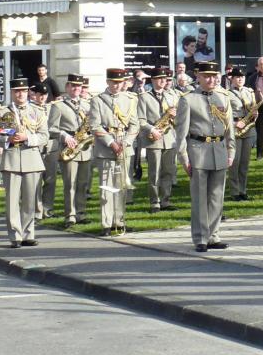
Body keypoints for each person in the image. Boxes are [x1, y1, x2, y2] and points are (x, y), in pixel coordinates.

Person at [175, 61, 236, 251]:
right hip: (198, 150)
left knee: (217, 196)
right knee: (200, 198)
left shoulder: (223, 97)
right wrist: (184, 157)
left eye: (214, 76)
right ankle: (201, 238)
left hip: (219, 149)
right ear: (198, 77)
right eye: (207, 76)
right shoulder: (188, 99)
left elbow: (229, 128)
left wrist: (231, 150)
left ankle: (213, 235)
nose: (211, 79)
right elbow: (181, 133)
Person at [0, 78, 50, 247]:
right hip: (11, 160)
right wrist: (7, 139)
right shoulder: (2, 112)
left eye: (23, 91)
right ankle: (15, 236)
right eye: (16, 91)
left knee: (30, 200)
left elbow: (45, 136)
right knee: (12, 201)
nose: (20, 94)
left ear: (28, 91)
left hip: (32, 159)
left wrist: (27, 137)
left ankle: (28, 234)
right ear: (12, 93)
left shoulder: (37, 111)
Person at [89, 68, 140, 236]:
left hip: (124, 146)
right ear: (108, 82)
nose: (117, 85)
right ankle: (106, 223)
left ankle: (119, 221)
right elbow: (95, 125)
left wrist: (126, 142)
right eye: (114, 82)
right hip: (106, 147)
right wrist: (111, 143)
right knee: (107, 187)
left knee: (122, 187)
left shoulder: (130, 99)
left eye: (120, 82)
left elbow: (135, 124)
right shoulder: (98, 100)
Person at [49, 75, 93, 226]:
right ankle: (70, 215)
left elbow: (94, 125)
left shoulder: (87, 106)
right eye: (73, 86)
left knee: (83, 183)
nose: (76, 89)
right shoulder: (58, 106)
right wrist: (64, 135)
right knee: (70, 184)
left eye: (79, 86)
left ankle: (81, 213)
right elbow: (51, 128)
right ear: (67, 87)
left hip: (84, 149)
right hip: (69, 148)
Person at [139, 67, 181, 212]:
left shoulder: (172, 96)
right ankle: (154, 202)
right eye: (159, 78)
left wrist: (175, 116)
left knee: (168, 171)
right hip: (153, 138)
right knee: (154, 172)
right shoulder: (144, 97)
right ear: (153, 80)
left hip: (169, 138)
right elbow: (141, 120)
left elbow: (179, 119)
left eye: (165, 79)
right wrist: (152, 129)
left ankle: (165, 200)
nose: (163, 81)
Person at [26, 83, 59, 220]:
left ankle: (47, 209)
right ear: (35, 95)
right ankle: (37, 210)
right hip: (36, 146)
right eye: (40, 95)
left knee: (50, 179)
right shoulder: (30, 108)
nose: (42, 97)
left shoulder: (53, 108)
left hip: (51, 146)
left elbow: (54, 127)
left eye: (45, 95)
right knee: (36, 180)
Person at [226, 68, 255, 201]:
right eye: (237, 77)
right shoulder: (227, 94)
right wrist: (234, 124)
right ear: (232, 79)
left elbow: (253, 108)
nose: (240, 79)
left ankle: (243, 190)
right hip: (235, 129)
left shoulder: (249, 92)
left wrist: (255, 115)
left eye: (242, 77)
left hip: (248, 129)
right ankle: (234, 191)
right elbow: (224, 115)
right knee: (234, 163)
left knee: (244, 163)